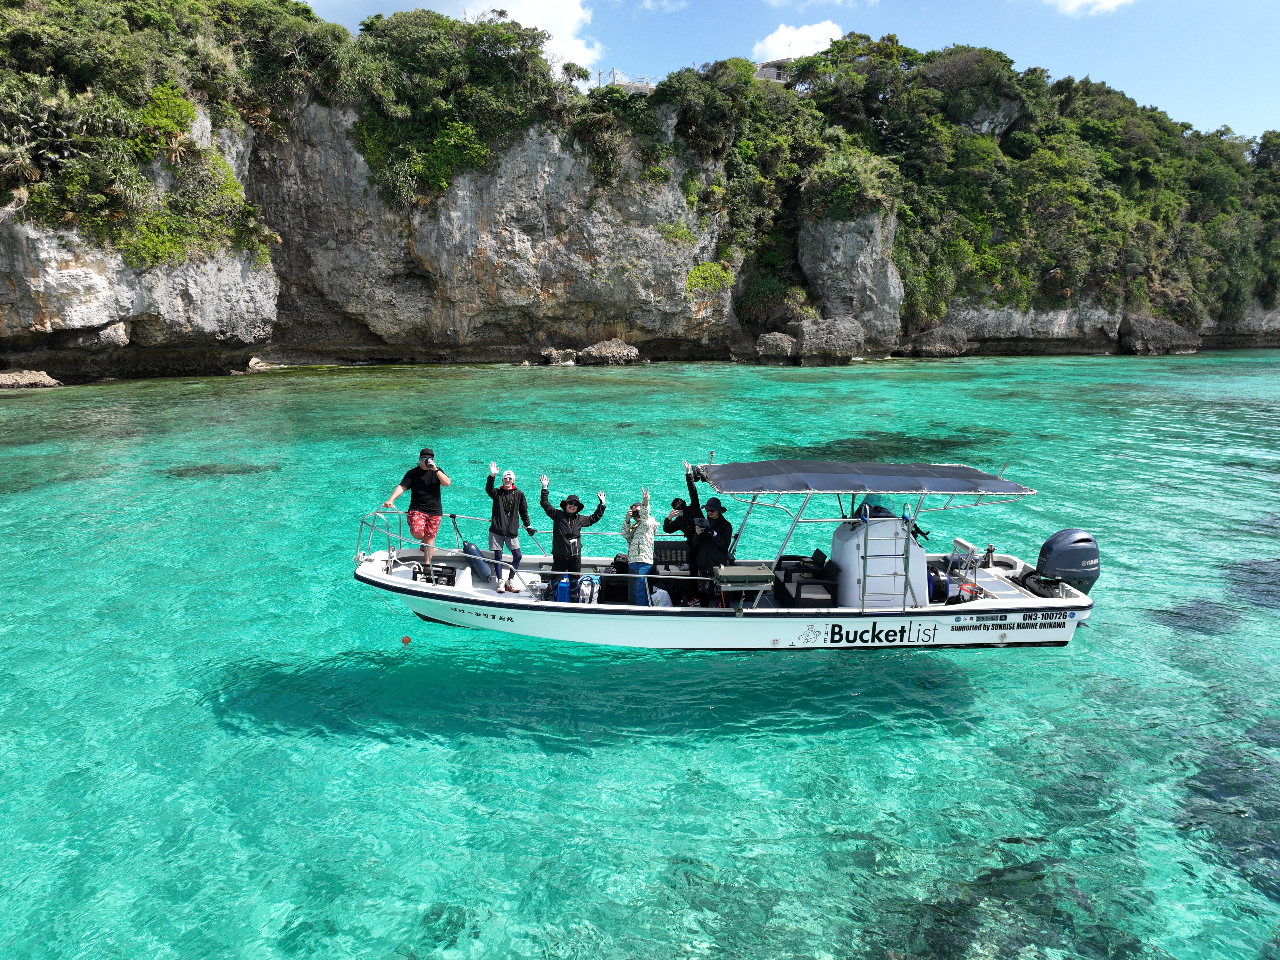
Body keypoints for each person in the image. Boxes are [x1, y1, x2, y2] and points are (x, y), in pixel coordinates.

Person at [382, 448, 452, 574]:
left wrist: (435, 469)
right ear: (420, 459)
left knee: (430, 537)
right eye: (424, 458)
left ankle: (427, 565)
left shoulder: (437, 471)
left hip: (435, 510)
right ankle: (425, 542)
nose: (427, 460)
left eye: (430, 458)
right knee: (416, 533)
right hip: (417, 508)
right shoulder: (412, 473)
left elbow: (447, 483)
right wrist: (391, 499)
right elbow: (402, 486)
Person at [540, 475, 606, 600]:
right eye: (570, 503)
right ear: (565, 505)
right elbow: (545, 504)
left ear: (577, 507)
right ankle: (544, 601)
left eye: (575, 504)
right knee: (553, 585)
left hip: (575, 557)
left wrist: (602, 504)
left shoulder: (580, 519)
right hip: (560, 557)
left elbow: (594, 518)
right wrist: (544, 488)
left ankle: (574, 606)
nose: (572, 505)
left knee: (574, 586)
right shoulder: (557, 515)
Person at [486, 463, 537, 593]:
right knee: (498, 555)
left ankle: (510, 580)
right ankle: (500, 582)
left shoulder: (519, 494)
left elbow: (524, 511)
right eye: (505, 478)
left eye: (510, 478)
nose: (507, 480)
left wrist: (528, 526)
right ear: (502, 480)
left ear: (513, 480)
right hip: (496, 530)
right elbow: (488, 489)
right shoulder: (497, 493)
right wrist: (492, 476)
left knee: (518, 555)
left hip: (512, 531)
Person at [663, 459, 705, 593]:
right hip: (693, 546)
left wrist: (688, 474)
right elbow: (667, 529)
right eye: (677, 507)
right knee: (693, 572)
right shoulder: (679, 520)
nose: (680, 506)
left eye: (681, 503)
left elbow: (693, 491)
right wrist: (669, 518)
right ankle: (695, 595)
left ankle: (709, 596)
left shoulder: (694, 508)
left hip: (705, 543)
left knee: (706, 570)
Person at [621, 487, 659, 606]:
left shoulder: (648, 522)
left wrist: (645, 502)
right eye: (634, 512)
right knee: (636, 589)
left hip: (644, 560)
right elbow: (626, 535)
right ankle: (649, 608)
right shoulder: (635, 525)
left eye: (638, 511)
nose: (636, 513)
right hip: (633, 560)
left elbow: (645, 514)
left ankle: (641, 612)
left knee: (639, 588)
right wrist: (627, 520)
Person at [693, 497, 733, 606]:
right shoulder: (702, 523)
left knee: (721, 592)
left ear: (718, 511)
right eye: (707, 510)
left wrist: (714, 535)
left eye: (711, 510)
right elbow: (695, 543)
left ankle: (725, 612)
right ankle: (703, 612)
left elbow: (725, 545)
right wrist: (697, 534)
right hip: (703, 564)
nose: (709, 512)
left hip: (717, 564)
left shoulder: (726, 525)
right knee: (702, 592)